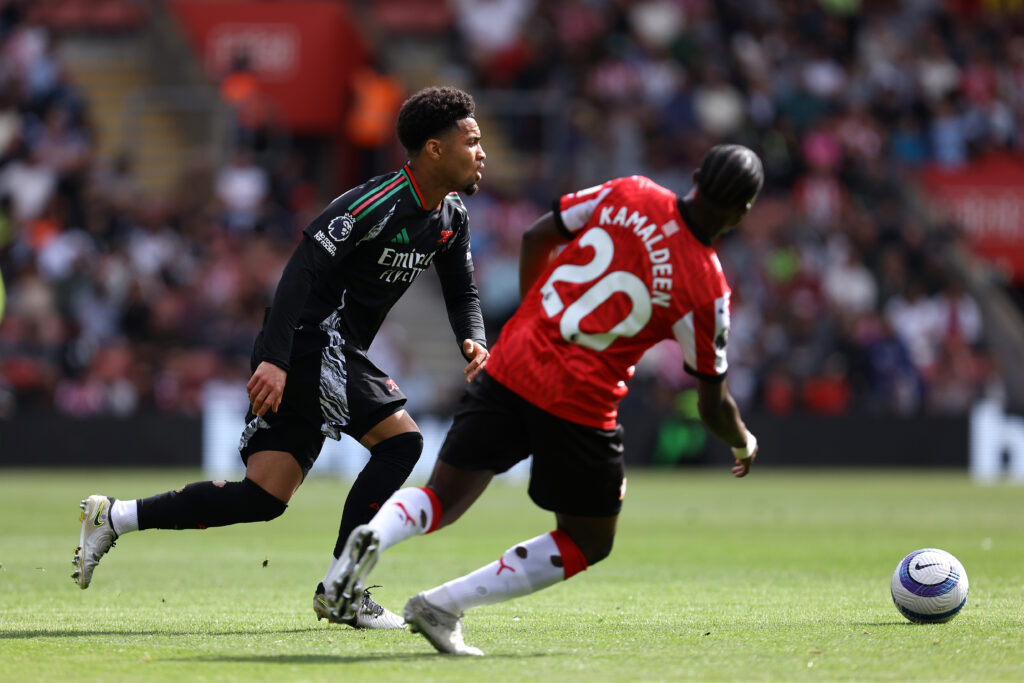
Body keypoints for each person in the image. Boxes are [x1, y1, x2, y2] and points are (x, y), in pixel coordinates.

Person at [73, 86, 491, 629]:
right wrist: (275, 357)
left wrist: (474, 338)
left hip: (331, 351)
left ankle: (116, 516)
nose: (482, 152)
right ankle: (343, 587)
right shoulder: (373, 204)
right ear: (434, 149)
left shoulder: (451, 216)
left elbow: (462, 294)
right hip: (311, 341)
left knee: (263, 496)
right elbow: (301, 271)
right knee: (404, 442)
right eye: (472, 141)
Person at [322, 144, 765, 655]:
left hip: (513, 363)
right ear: (741, 214)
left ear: (695, 178)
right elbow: (713, 403)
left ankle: (376, 532)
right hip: (580, 402)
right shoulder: (707, 289)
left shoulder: (632, 191)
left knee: (443, 497)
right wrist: (742, 441)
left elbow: (538, 233)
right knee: (589, 539)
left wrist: (533, 316)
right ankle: (444, 604)